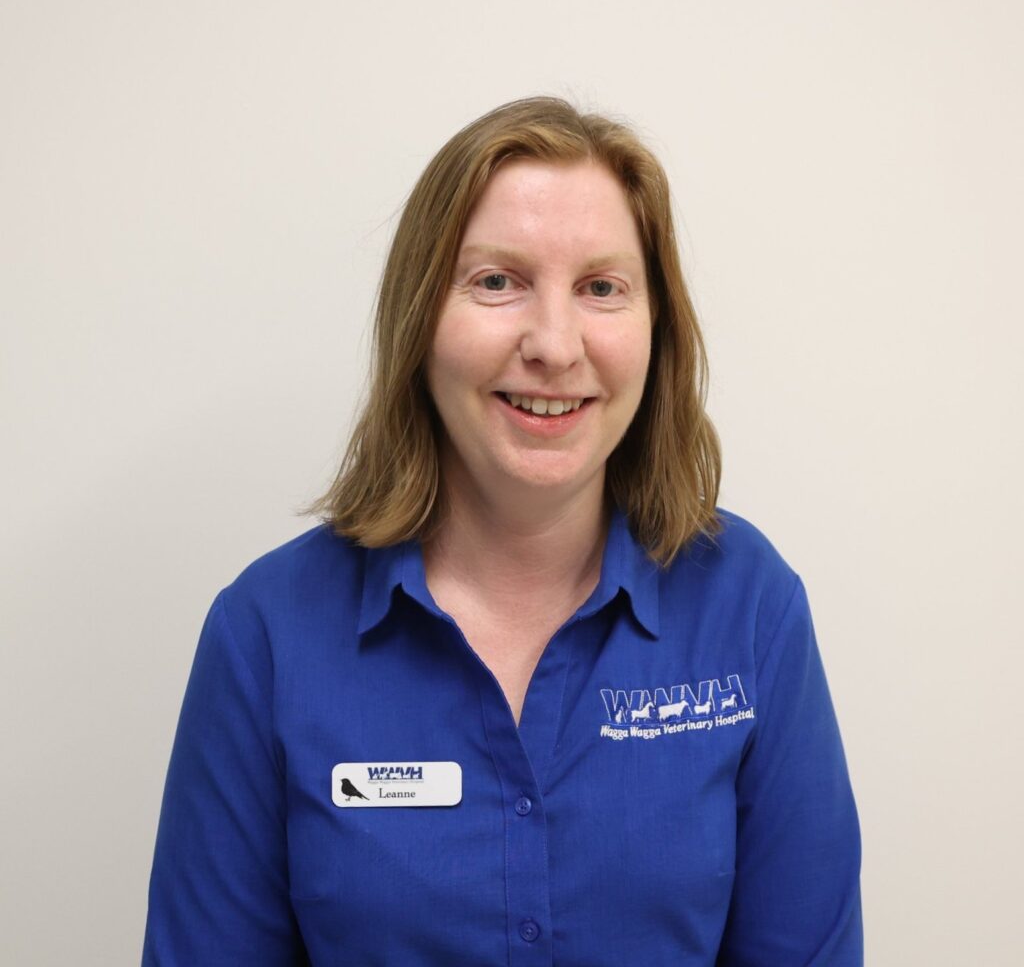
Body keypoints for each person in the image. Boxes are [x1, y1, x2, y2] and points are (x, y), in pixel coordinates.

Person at [142, 96, 862, 965]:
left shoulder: (749, 608)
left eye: (602, 287)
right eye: (496, 281)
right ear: (419, 323)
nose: (555, 346)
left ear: (656, 329)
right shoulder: (267, 633)